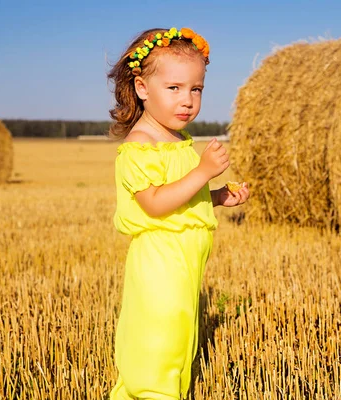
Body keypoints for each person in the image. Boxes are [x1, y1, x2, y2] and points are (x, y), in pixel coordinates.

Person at [107, 27, 249, 399]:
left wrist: (216, 196)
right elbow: (154, 203)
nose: (187, 100)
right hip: (160, 258)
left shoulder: (179, 141)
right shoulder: (141, 145)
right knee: (159, 336)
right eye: (174, 88)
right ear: (141, 88)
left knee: (180, 335)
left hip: (186, 257)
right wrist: (203, 172)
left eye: (195, 89)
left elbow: (180, 196)